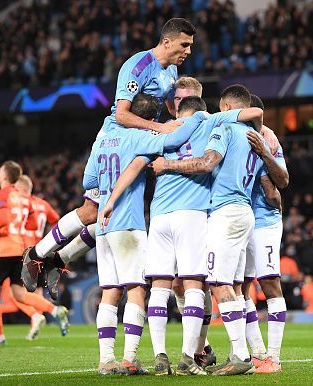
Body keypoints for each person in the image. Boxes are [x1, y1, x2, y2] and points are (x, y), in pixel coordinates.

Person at [21, 18, 197, 287]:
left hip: (142, 140)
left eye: (190, 46)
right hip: (117, 139)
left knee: (109, 214)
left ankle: (57, 261)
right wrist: (161, 129)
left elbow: (169, 109)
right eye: (184, 45)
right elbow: (123, 115)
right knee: (93, 211)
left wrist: (185, 116)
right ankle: (36, 255)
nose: (188, 51)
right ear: (167, 41)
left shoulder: (171, 70)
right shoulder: (137, 66)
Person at [98, 95, 263, 375]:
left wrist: (112, 200)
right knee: (193, 284)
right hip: (192, 213)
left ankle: (160, 356)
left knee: (160, 287)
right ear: (200, 110)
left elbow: (137, 164)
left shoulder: (163, 130)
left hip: (160, 215)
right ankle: (188, 357)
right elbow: (254, 111)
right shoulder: (207, 121)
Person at [149, 84, 278, 375]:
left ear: (227, 110)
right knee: (231, 287)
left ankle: (241, 357)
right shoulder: (256, 137)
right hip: (245, 212)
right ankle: (242, 352)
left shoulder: (223, 128)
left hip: (225, 213)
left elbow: (208, 163)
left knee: (218, 284)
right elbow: (271, 184)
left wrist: (167, 164)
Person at [86, 92, 209, 375]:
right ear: (148, 120)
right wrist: (186, 121)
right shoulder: (140, 138)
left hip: (104, 222)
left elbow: (88, 179)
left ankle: (106, 360)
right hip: (128, 223)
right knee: (138, 289)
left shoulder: (104, 139)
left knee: (109, 292)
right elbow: (171, 141)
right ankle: (130, 358)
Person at [0, 161, 69, 346]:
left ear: (4, 176)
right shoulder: (27, 199)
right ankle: (54, 311)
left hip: (4, 248)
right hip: (23, 249)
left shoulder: (1, 194)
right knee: (19, 293)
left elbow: (3, 219)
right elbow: (34, 224)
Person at [241, 94, 289, 373]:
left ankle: (274, 356)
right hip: (238, 219)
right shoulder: (230, 134)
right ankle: (258, 354)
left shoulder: (269, 140)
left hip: (264, 221)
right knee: (240, 287)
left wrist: (265, 153)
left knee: (269, 283)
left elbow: (282, 182)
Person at [15, 175, 60, 297]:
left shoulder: (20, 202)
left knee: (17, 292)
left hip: (22, 249)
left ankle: (41, 313)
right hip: (40, 250)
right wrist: (49, 241)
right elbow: (57, 222)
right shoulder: (43, 204)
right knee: (37, 290)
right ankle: (40, 314)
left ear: (20, 188)